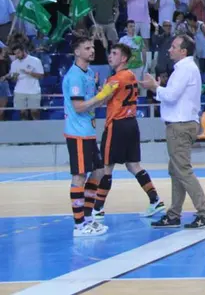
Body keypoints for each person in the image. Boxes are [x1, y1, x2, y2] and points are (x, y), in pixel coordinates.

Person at [139, 35, 205, 229]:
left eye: (173, 47)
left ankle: (204, 212)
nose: (169, 50)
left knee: (182, 170)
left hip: (180, 125)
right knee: (176, 170)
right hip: (182, 124)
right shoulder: (187, 69)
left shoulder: (185, 69)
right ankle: (174, 214)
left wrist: (155, 87)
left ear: (184, 51)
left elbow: (171, 96)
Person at [91, 43, 165, 219]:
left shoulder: (115, 79)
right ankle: (155, 200)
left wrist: (95, 89)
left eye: (114, 53)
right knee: (133, 165)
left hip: (117, 125)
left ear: (123, 58)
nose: (110, 56)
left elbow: (101, 100)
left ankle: (97, 209)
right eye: (110, 52)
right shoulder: (130, 75)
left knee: (106, 167)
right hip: (132, 124)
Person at [63, 36, 118, 237]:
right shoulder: (75, 76)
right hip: (77, 132)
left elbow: (93, 104)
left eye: (92, 47)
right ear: (77, 52)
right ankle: (79, 225)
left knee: (98, 172)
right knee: (79, 176)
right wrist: (101, 96)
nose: (92, 51)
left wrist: (105, 95)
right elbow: (78, 107)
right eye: (87, 48)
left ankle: (87, 217)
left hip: (88, 131)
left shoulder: (89, 74)